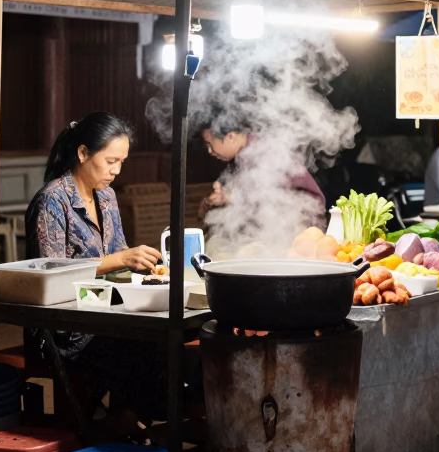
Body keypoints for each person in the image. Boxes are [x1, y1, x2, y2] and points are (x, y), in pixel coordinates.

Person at [26, 113, 174, 434]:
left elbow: (117, 261)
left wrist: (143, 268)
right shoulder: (52, 201)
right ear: (82, 153)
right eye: (110, 161)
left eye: (122, 161)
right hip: (62, 326)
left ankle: (124, 420)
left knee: (164, 341)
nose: (116, 170)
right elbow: (50, 273)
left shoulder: (106, 197)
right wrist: (121, 257)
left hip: (100, 309)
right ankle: (118, 425)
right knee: (141, 348)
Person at [200, 123, 327, 222]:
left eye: (210, 144)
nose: (210, 151)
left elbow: (269, 201)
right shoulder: (241, 157)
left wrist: (231, 198)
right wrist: (223, 198)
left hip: (299, 230)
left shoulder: (265, 152)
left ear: (230, 137)